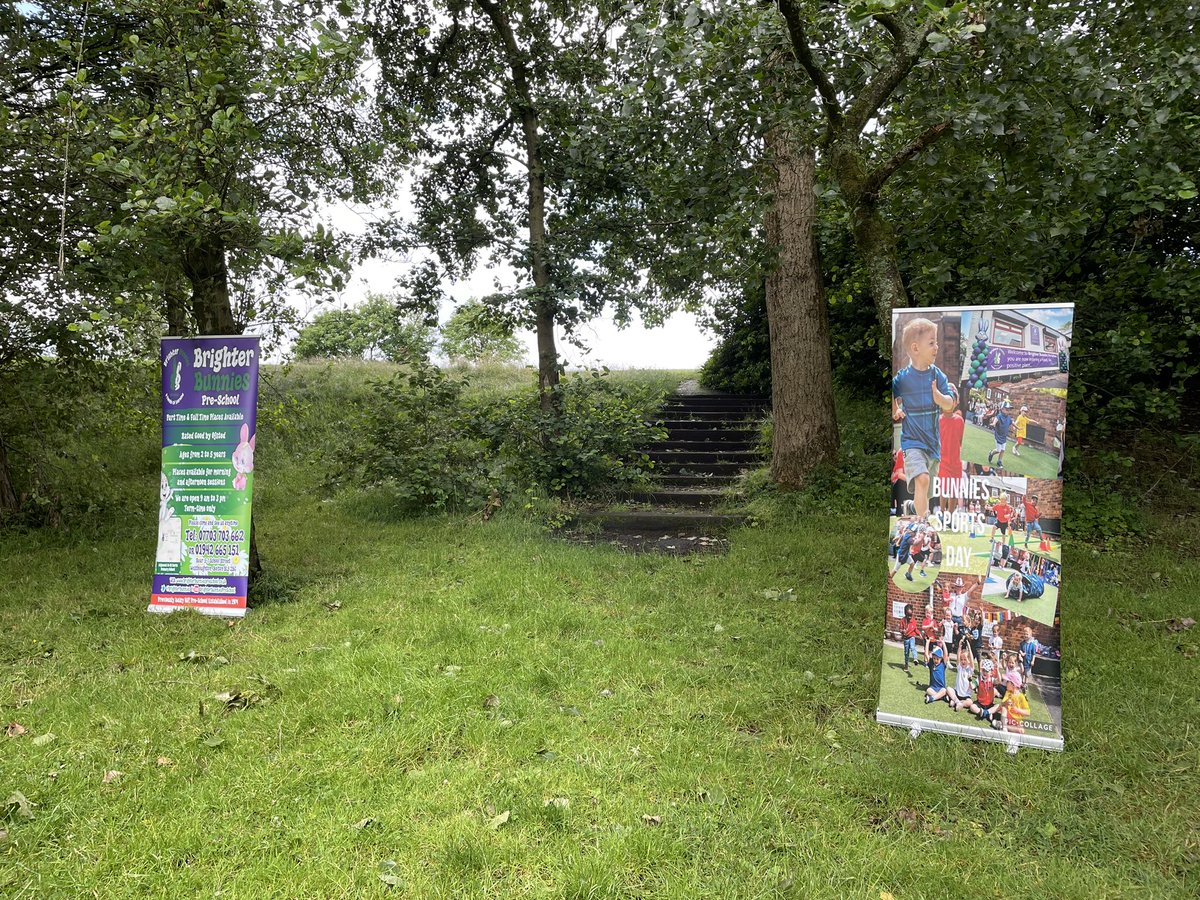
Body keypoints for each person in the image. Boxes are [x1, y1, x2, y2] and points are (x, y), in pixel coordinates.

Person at [892, 318, 958, 521]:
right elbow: (892, 395)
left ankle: (914, 507)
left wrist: (940, 398)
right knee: (922, 479)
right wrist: (895, 408)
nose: (937, 347)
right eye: (931, 343)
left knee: (926, 489)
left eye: (936, 342)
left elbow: (950, 404)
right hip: (912, 442)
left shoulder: (939, 376)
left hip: (933, 445)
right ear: (915, 348)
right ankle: (922, 525)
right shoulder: (902, 378)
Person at [937, 400, 966, 513]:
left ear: (955, 403)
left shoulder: (960, 420)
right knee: (943, 490)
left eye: (951, 400)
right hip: (943, 461)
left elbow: (962, 441)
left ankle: (950, 516)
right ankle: (942, 513)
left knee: (954, 491)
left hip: (956, 462)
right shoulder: (938, 420)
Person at [967, 655, 999, 722]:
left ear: (991, 672)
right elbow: (972, 687)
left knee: (998, 706)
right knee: (972, 707)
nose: (984, 672)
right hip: (980, 703)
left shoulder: (992, 680)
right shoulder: (978, 679)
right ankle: (986, 713)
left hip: (989, 704)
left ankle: (986, 712)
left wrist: (997, 670)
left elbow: (999, 681)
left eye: (987, 671)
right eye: (983, 670)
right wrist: (969, 680)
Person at [987, 400, 1016, 470]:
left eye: (1009, 410)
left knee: (1003, 450)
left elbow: (1012, 422)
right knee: (998, 450)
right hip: (998, 435)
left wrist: (1016, 427)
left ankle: (999, 461)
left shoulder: (1008, 417)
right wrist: (994, 423)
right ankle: (991, 453)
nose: (1008, 411)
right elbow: (996, 420)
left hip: (1004, 436)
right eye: (1007, 409)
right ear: (1002, 409)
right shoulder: (999, 416)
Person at [949, 638, 976, 712]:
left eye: (965, 659)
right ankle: (957, 701)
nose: (963, 661)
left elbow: (971, 658)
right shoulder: (959, 668)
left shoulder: (970, 669)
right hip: (957, 693)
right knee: (948, 689)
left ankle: (959, 703)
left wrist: (969, 648)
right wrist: (959, 647)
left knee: (970, 702)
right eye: (962, 659)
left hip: (966, 696)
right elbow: (957, 657)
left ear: (968, 660)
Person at [946, 577, 969, 643]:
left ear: (962, 588)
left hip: (959, 618)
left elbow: (971, 591)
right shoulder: (951, 595)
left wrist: (977, 583)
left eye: (960, 587)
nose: (959, 588)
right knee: (949, 634)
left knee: (958, 635)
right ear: (955, 587)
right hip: (951, 617)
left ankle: (957, 648)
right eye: (957, 586)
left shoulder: (964, 596)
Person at [901, 604, 920, 674]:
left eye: (911, 615)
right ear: (905, 613)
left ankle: (915, 659)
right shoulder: (903, 620)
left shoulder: (913, 621)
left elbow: (915, 629)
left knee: (913, 647)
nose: (909, 616)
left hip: (912, 637)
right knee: (906, 653)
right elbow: (900, 629)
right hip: (906, 638)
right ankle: (906, 664)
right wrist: (903, 631)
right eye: (908, 615)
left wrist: (919, 634)